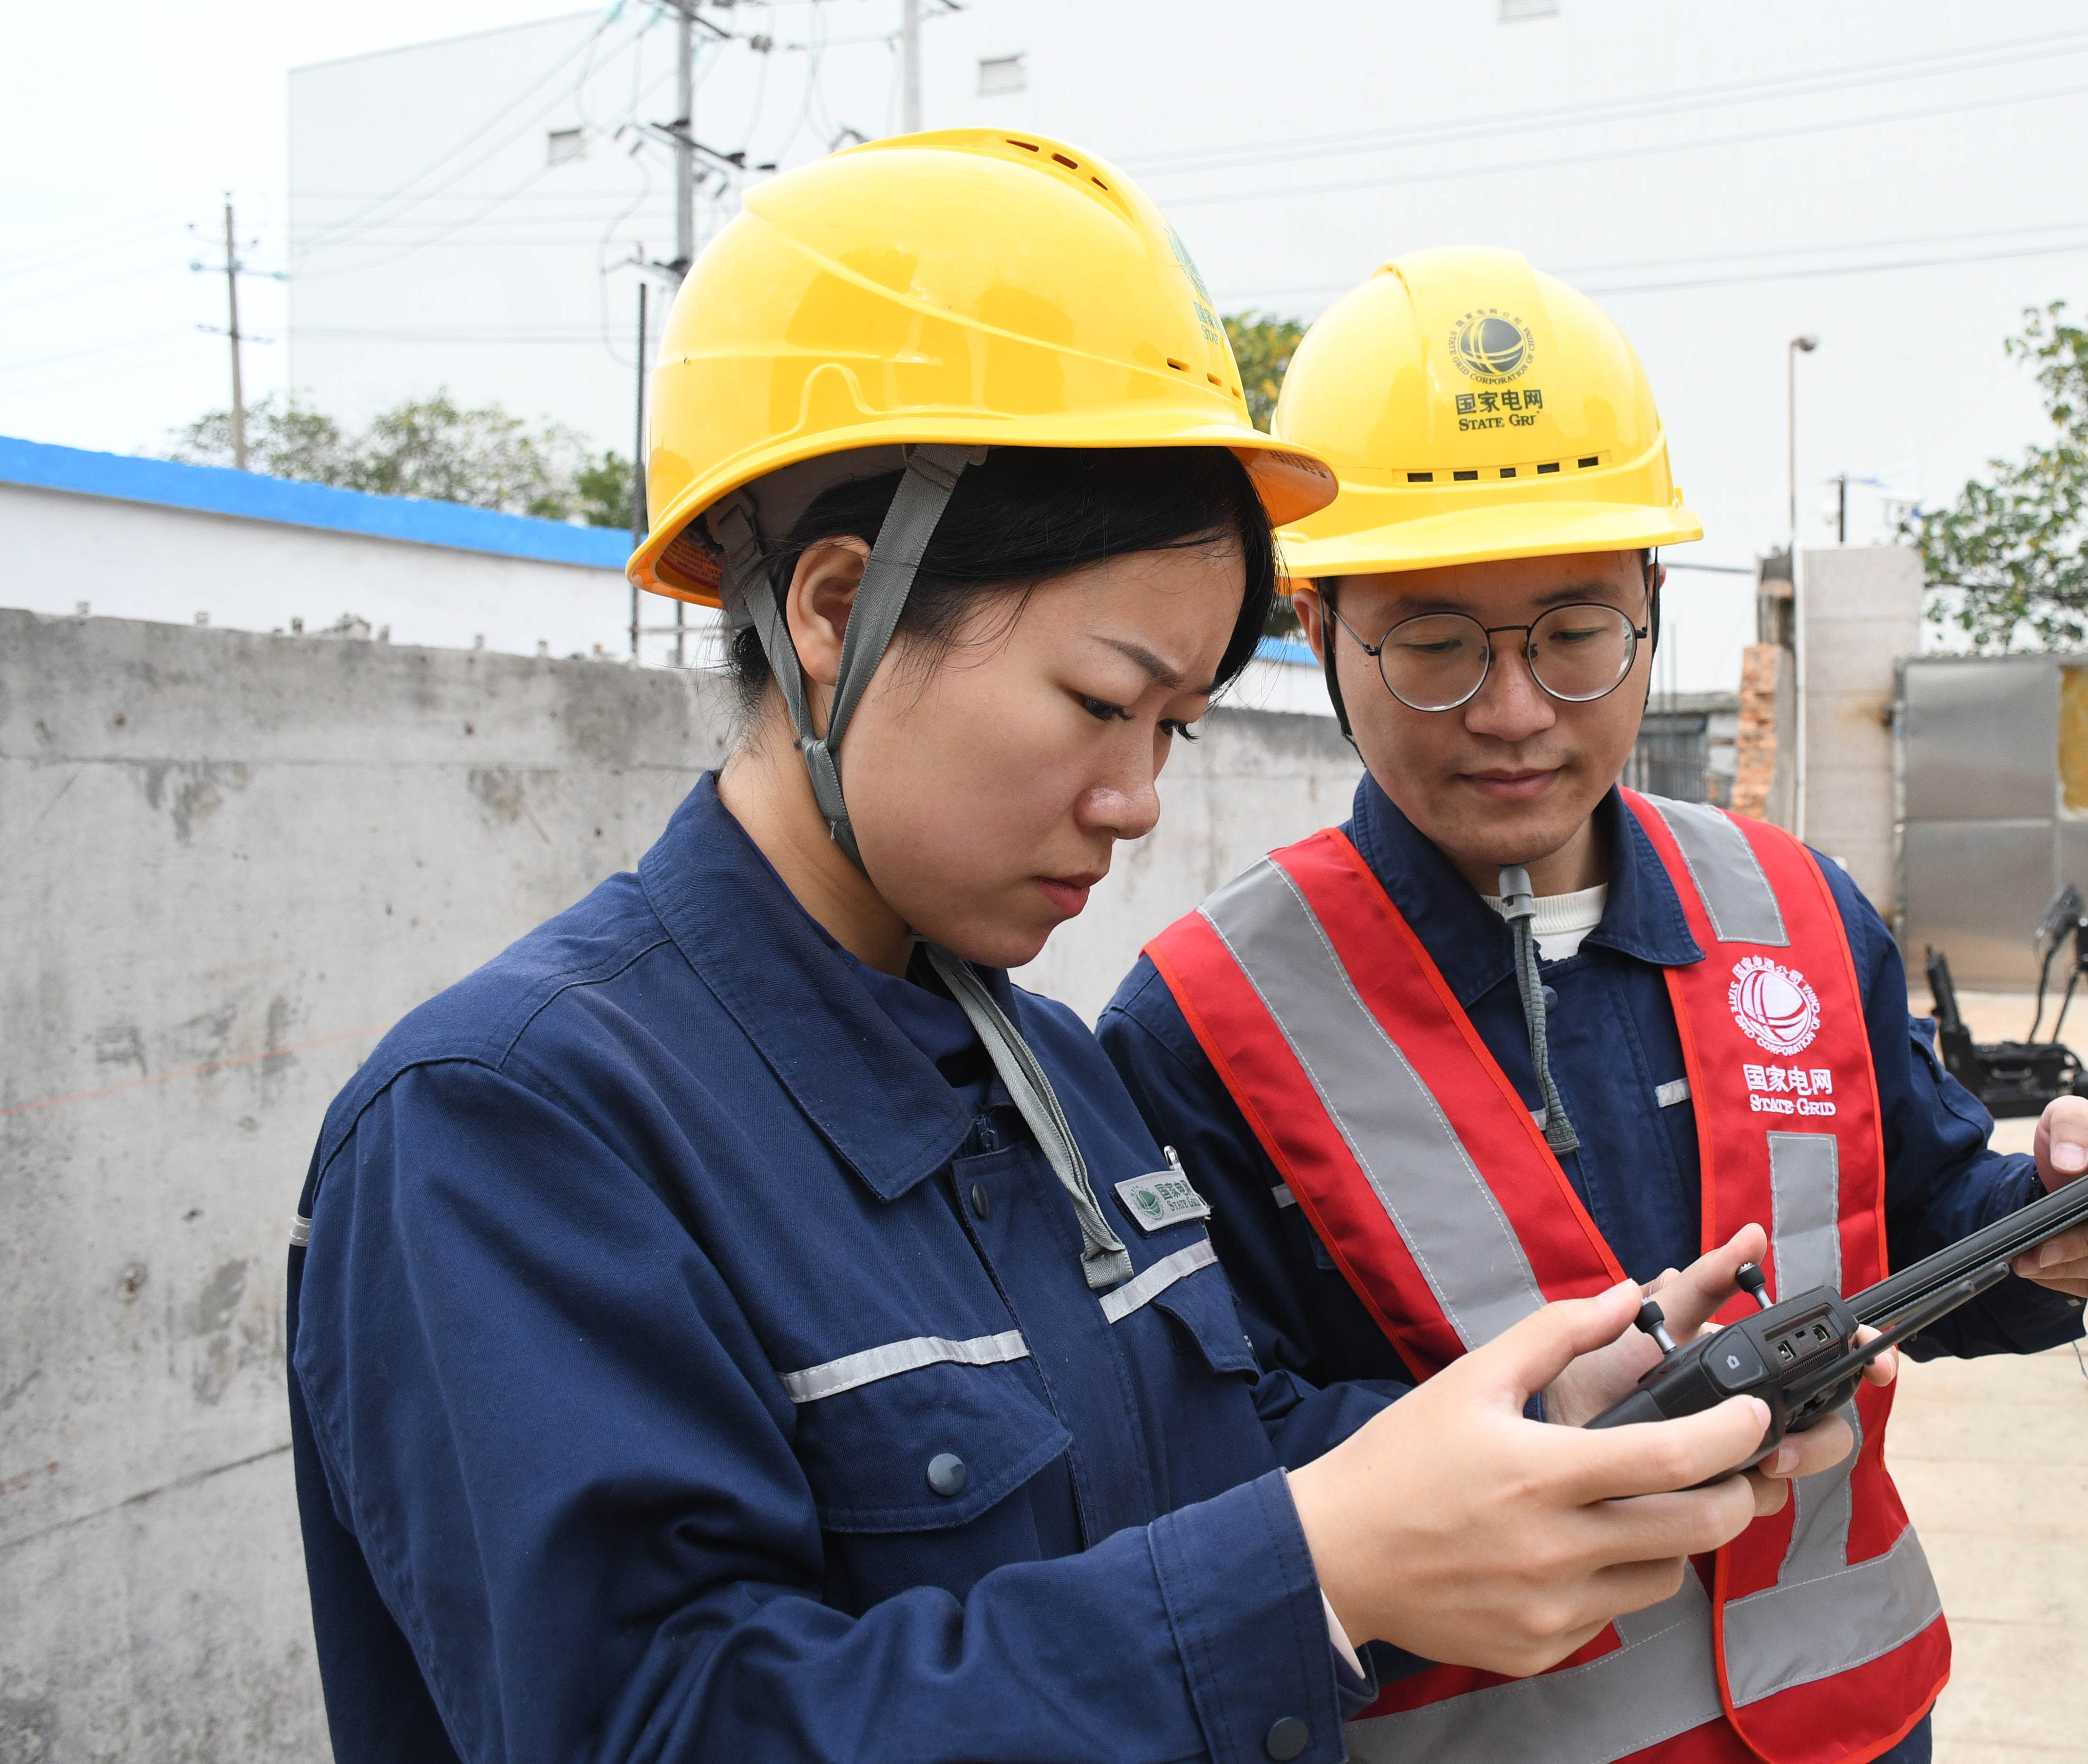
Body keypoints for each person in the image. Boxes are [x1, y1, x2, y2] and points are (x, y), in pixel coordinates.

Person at [282, 141, 1870, 1764]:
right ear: (835, 609)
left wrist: (1539, 1434)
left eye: (1176, 724)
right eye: (1102, 705)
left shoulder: (1051, 1075)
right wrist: (1312, 1578)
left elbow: (1202, 1454)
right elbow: (663, 1728)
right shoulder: (510, 1130)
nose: (1136, 800)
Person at [1099, 248, 2088, 1764]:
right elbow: (1198, 1465)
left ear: (1651, 606)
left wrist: (2057, 1218)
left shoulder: (1800, 911)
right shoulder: (1204, 1020)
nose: (1510, 710)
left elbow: (1927, 1212)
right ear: (1320, 632)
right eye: (1433, 642)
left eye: (1573, 632)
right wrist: (1549, 1443)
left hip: (1857, 1725)